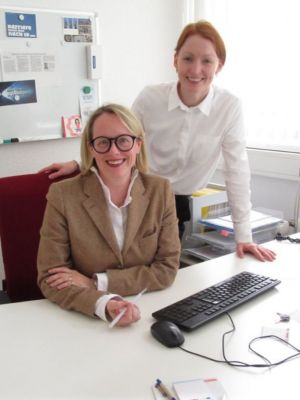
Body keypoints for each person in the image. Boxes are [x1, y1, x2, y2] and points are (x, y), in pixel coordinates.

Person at [39, 20, 276, 262]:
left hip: (179, 200)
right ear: (175, 60)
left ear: (219, 65)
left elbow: (237, 171)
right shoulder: (150, 98)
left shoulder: (229, 107)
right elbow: (119, 142)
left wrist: (243, 236)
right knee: (124, 263)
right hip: (138, 194)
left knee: (164, 270)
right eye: (188, 59)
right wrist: (80, 164)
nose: (195, 70)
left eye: (206, 61)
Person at [37, 104, 180, 327]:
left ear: (138, 144)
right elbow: (50, 277)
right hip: (84, 322)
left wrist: (96, 282)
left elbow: (167, 269)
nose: (114, 152)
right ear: (91, 148)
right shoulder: (63, 194)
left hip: (152, 311)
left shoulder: (160, 190)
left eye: (123, 140)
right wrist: (104, 303)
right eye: (103, 142)